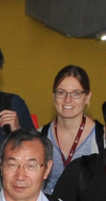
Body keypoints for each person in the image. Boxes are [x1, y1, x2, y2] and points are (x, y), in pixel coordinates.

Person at [42, 64, 99, 193]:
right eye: (61, 92)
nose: (68, 100)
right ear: (53, 96)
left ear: (87, 97)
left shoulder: (103, 139)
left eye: (76, 93)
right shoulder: (39, 136)